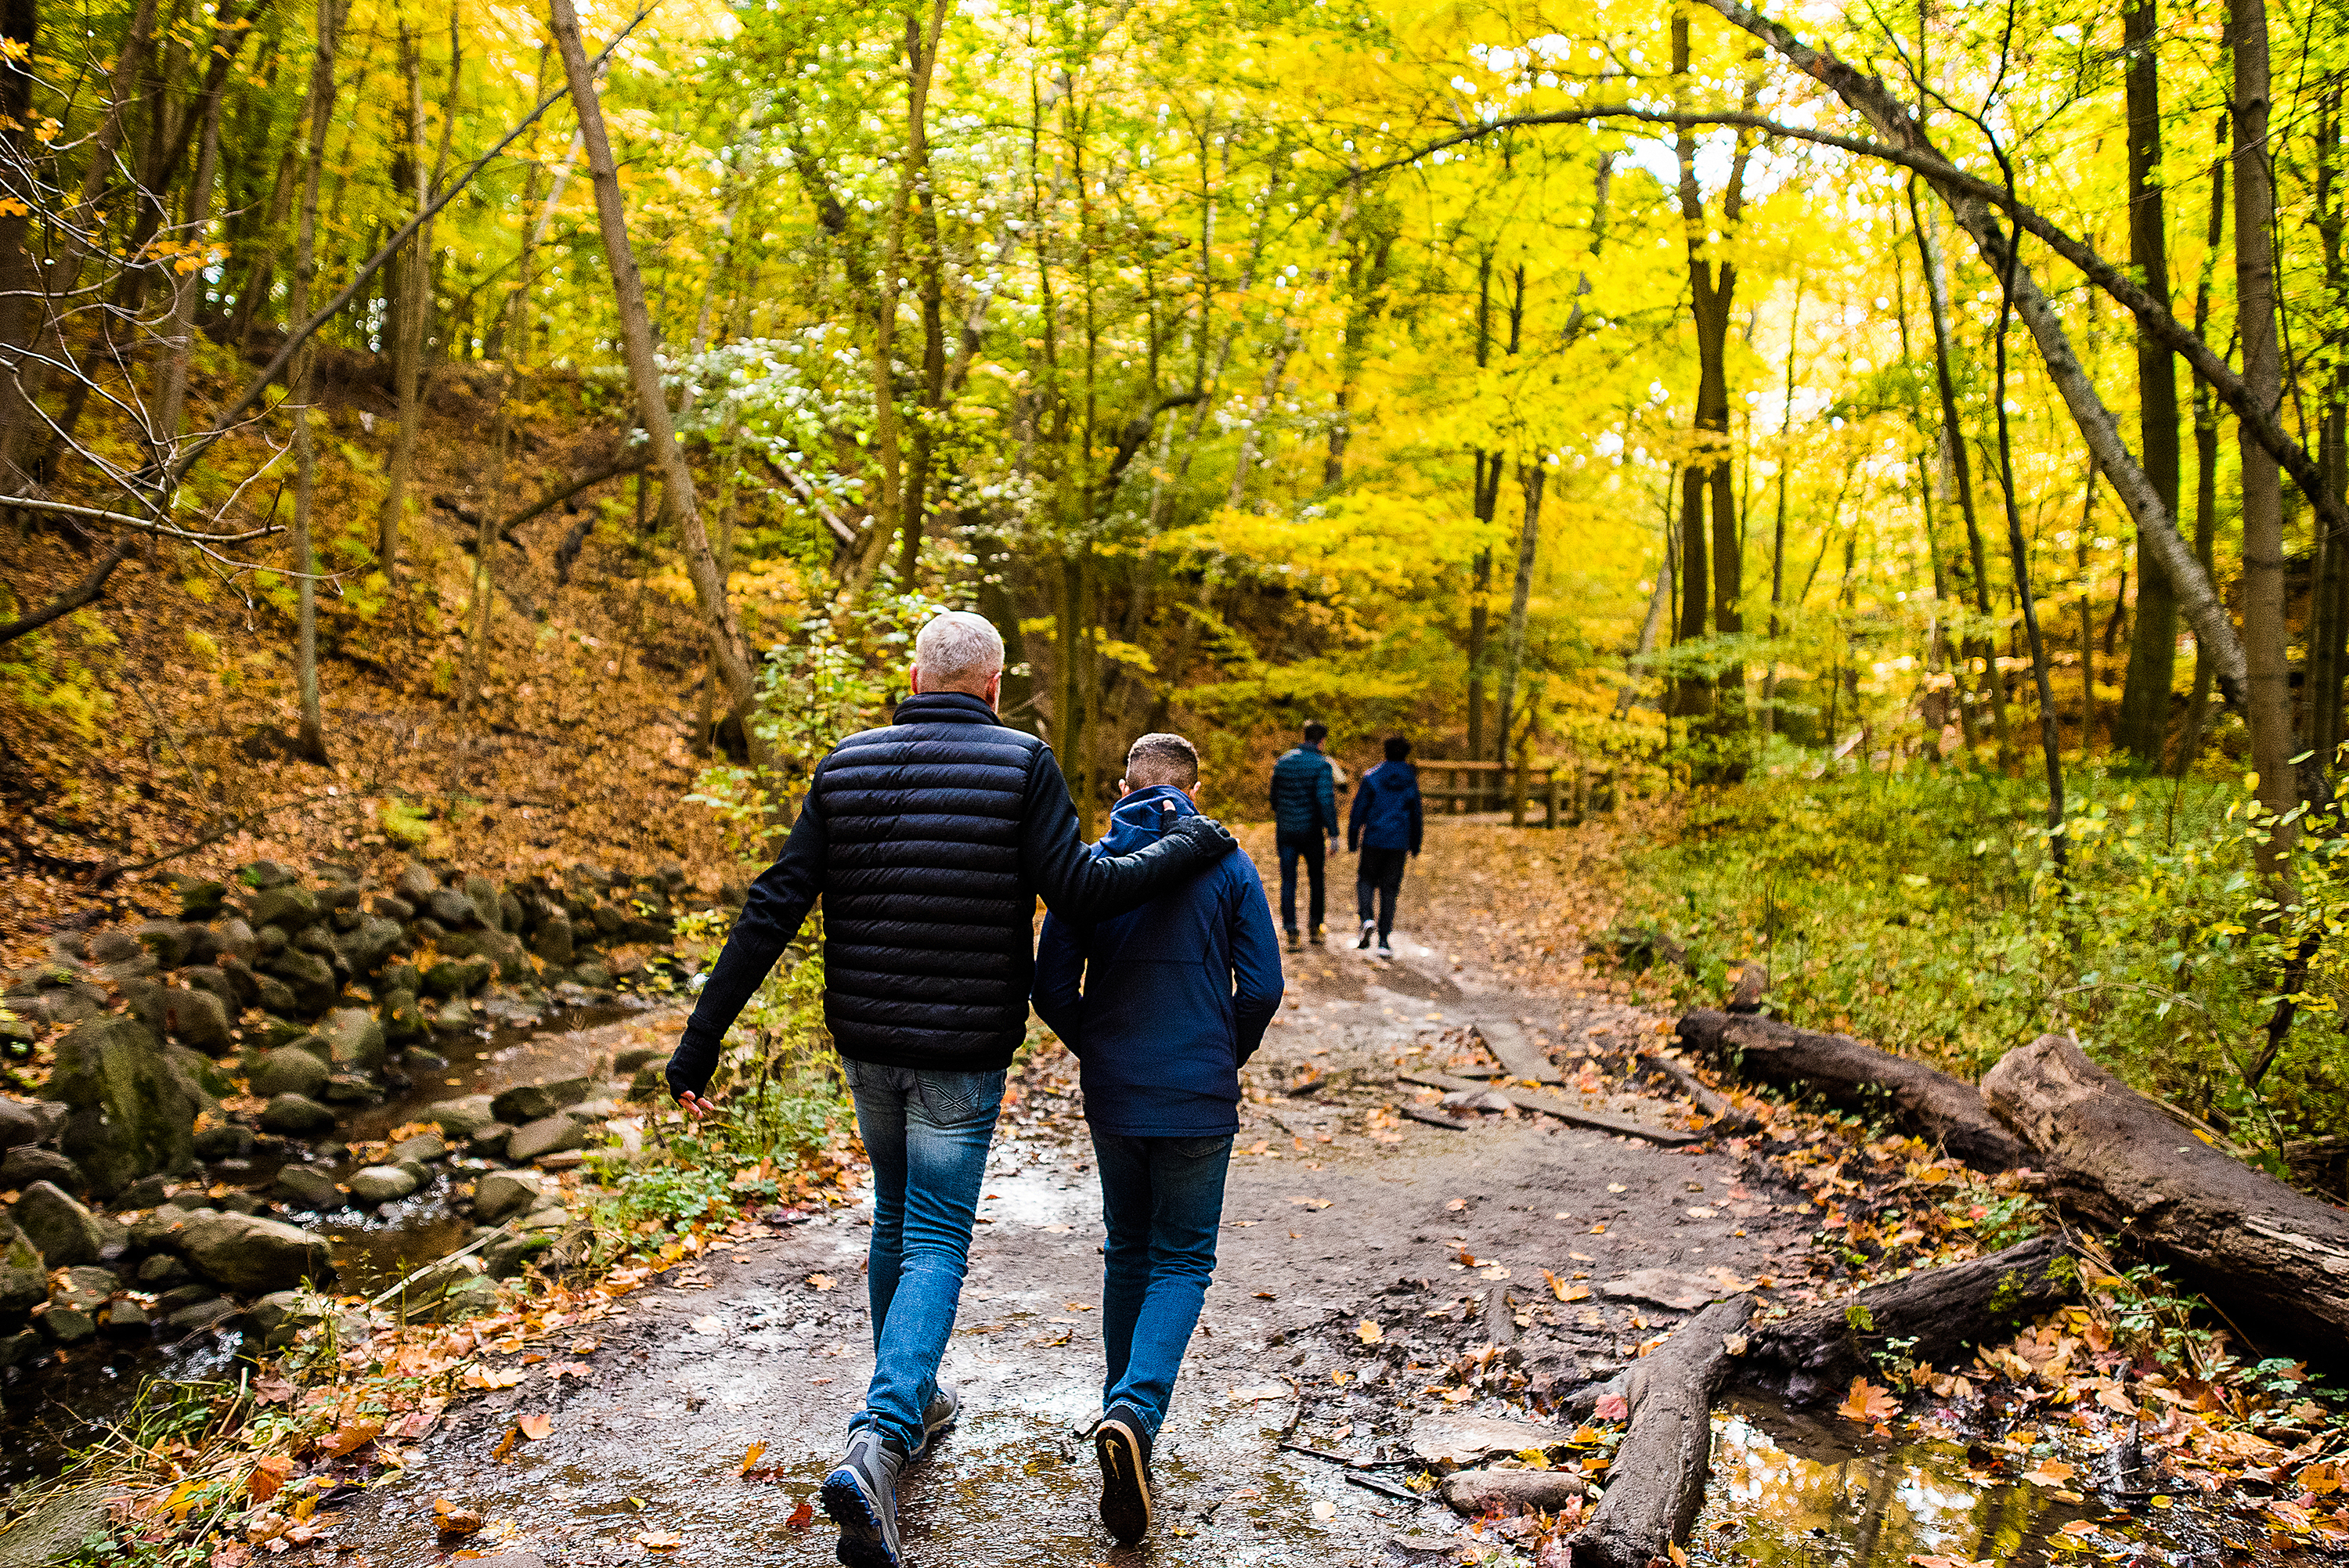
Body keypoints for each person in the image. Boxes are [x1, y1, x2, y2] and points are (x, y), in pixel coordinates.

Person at [665, 612, 1237, 1568]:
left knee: (897, 1214)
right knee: (934, 1231)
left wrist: (700, 1039)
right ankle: (881, 1436)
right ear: (995, 684)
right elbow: (1084, 890)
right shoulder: (1023, 764)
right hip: (961, 1049)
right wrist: (1195, 842)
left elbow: (775, 900)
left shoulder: (845, 763)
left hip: (867, 1044)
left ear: (918, 676)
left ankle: (916, 1399)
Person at [1032, 732, 1283, 1545]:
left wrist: (1098, 1045)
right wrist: (1220, 1050)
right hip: (1198, 1095)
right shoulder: (1230, 865)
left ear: (1124, 785)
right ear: (1196, 789)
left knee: (1129, 1248)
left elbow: (1049, 985)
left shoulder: (1093, 866)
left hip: (1117, 1091)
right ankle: (1135, 1415)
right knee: (1182, 1258)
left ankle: (1121, 1406)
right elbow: (1264, 985)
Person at [1268, 719, 1340, 951]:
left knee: (1288, 881)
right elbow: (1325, 801)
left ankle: (1291, 932)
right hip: (1311, 833)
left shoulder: (1283, 762)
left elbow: (1274, 800)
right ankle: (1315, 928)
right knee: (1316, 879)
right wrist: (1334, 834)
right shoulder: (1322, 764)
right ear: (1322, 740)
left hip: (1286, 831)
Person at [1348, 735, 1422, 957]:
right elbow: (1416, 814)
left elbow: (1358, 809)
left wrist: (1353, 839)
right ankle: (1384, 941)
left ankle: (1367, 919)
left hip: (1374, 839)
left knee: (1366, 879)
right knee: (1390, 889)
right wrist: (1416, 843)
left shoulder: (1372, 777)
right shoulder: (1410, 779)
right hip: (1398, 842)